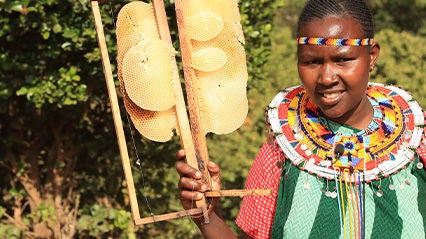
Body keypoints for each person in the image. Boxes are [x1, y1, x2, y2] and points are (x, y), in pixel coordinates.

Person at [175, 0, 426, 238]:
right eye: (311, 62)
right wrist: (207, 215)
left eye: (342, 60)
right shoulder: (281, 153)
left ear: (371, 56)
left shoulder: (418, 142)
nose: (327, 77)